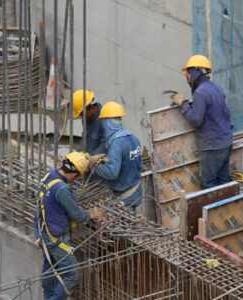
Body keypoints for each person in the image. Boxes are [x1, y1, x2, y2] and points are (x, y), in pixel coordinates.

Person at [35, 151, 107, 299]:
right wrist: (92, 214)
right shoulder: (62, 189)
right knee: (73, 274)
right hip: (54, 238)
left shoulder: (49, 175)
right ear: (74, 175)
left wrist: (88, 161)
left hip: (42, 231)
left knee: (51, 269)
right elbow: (78, 215)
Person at [170, 54, 233, 189]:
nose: (186, 77)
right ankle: (224, 209)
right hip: (226, 143)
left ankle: (214, 210)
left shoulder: (200, 93)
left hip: (212, 147)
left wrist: (183, 104)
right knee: (223, 182)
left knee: (208, 185)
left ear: (195, 72)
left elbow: (196, 120)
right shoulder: (216, 88)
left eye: (187, 73)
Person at [93, 102, 143, 211]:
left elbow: (112, 173)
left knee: (125, 226)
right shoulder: (133, 138)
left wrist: (95, 166)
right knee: (132, 222)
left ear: (107, 122)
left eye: (103, 122)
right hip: (137, 189)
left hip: (125, 195)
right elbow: (140, 166)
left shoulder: (116, 144)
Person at [72, 89, 105, 154]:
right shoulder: (87, 118)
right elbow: (85, 138)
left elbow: (106, 147)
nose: (82, 117)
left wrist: (90, 159)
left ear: (92, 108)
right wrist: (77, 154)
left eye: (82, 114)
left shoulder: (106, 121)